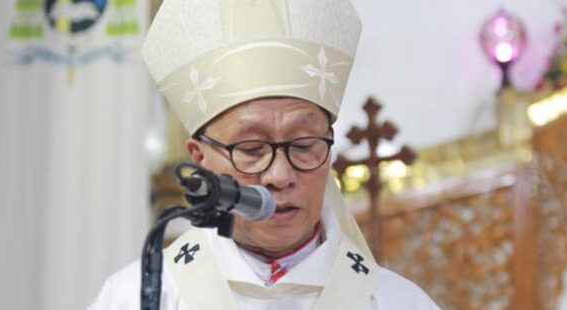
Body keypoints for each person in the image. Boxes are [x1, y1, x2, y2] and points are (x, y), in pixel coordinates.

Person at [88, 0, 441, 309]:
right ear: (200, 159)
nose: (280, 175)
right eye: (251, 150)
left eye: (304, 145)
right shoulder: (138, 298)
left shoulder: (396, 303)